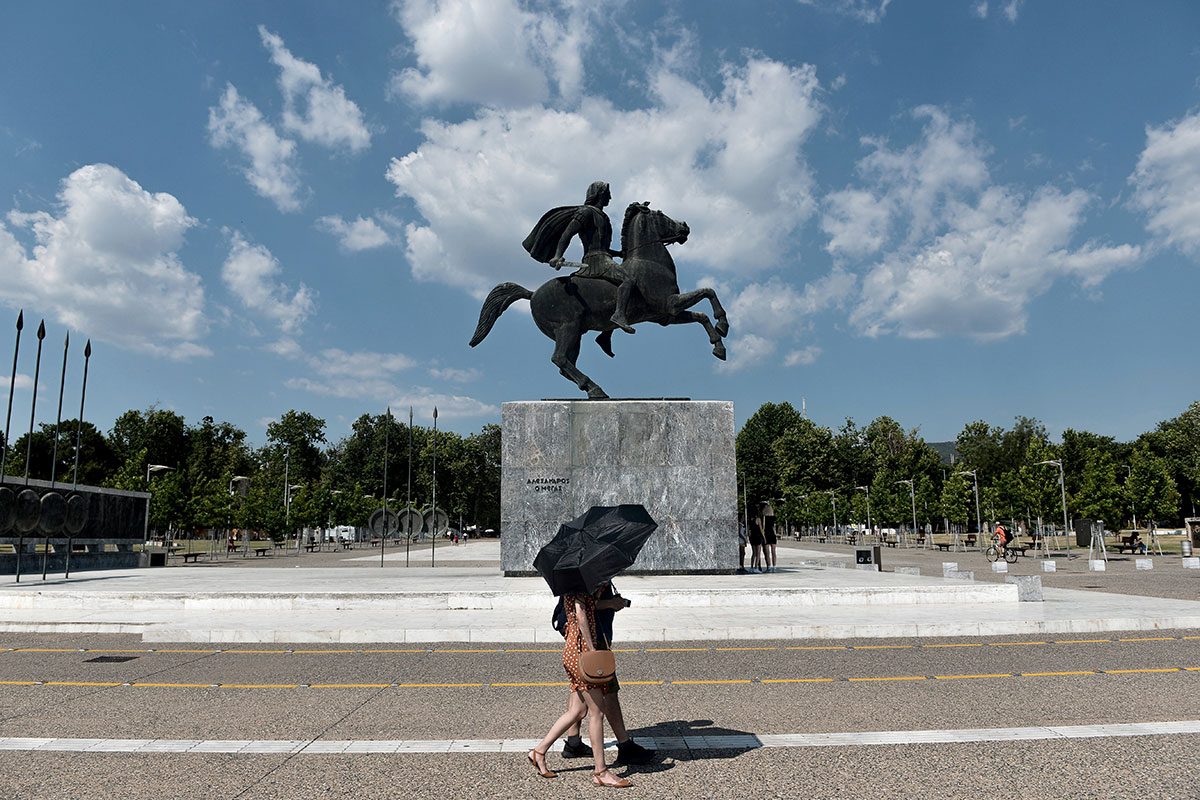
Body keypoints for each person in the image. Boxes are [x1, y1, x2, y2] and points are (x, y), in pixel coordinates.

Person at [529, 584, 632, 787]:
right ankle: (601, 772)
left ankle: (538, 752)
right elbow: (581, 613)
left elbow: (588, 606)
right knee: (597, 712)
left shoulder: (574, 580)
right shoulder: (579, 581)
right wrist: (592, 649)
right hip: (581, 649)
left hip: (574, 649)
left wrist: (604, 597)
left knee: (577, 711)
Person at [522, 181, 639, 333]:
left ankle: (606, 333)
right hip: (596, 261)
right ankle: (619, 316)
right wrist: (558, 255)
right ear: (599, 194)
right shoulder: (586, 213)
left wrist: (618, 253)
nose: (610, 197)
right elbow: (568, 233)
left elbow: (600, 245)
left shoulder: (603, 216)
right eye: (607, 194)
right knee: (628, 280)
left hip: (604, 257)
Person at [558, 583, 655, 765]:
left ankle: (572, 742)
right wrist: (610, 604)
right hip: (592, 639)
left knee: (579, 691)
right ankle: (622, 749)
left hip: (586, 638)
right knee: (607, 692)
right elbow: (582, 607)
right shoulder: (588, 572)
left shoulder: (578, 570)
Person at [762, 502, 778, 573]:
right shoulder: (773, 518)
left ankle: (769, 566)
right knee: (773, 552)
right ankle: (774, 566)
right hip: (772, 534)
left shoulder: (764, 518)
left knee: (767, 552)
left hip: (766, 534)